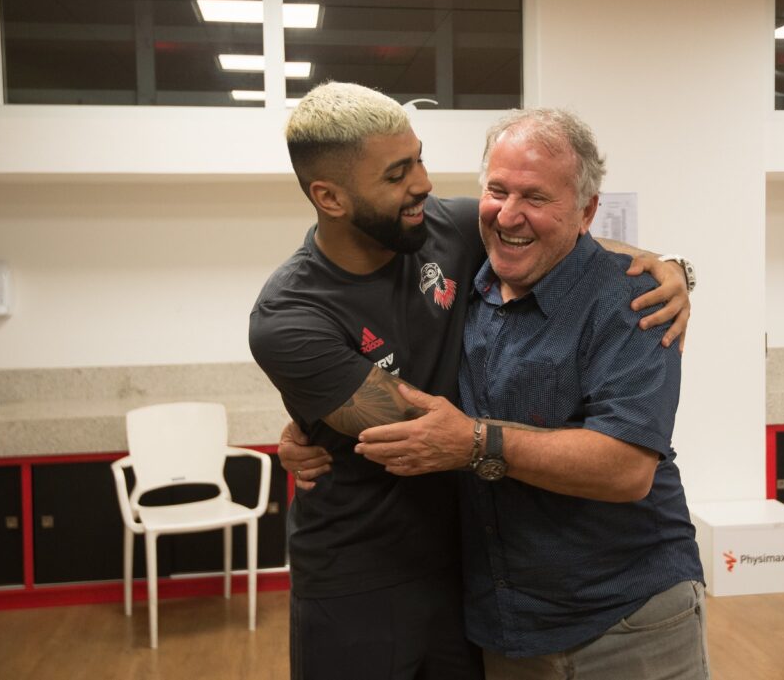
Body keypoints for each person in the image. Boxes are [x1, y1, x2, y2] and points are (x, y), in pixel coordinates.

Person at [250, 82, 692, 680]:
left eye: (421, 159)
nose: (424, 184)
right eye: (397, 173)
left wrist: (667, 268)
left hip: (482, 578)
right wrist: (319, 422)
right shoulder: (289, 315)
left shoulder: (445, 230)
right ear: (329, 197)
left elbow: (563, 236)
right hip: (358, 576)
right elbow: (422, 432)